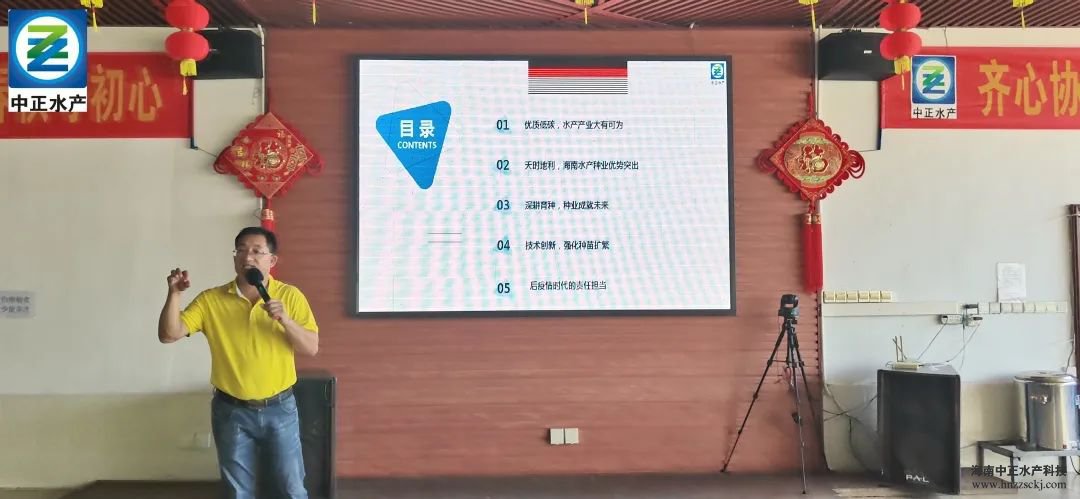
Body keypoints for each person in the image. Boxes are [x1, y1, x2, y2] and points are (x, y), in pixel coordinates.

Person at [157, 226, 319, 499]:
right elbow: (169, 334)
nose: (248, 257)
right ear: (234, 258)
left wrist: (286, 321)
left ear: (272, 260)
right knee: (238, 492)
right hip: (231, 411)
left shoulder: (290, 296)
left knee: (292, 488)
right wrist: (174, 294)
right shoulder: (211, 300)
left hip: (280, 408)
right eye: (241, 250)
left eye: (257, 251)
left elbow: (310, 347)